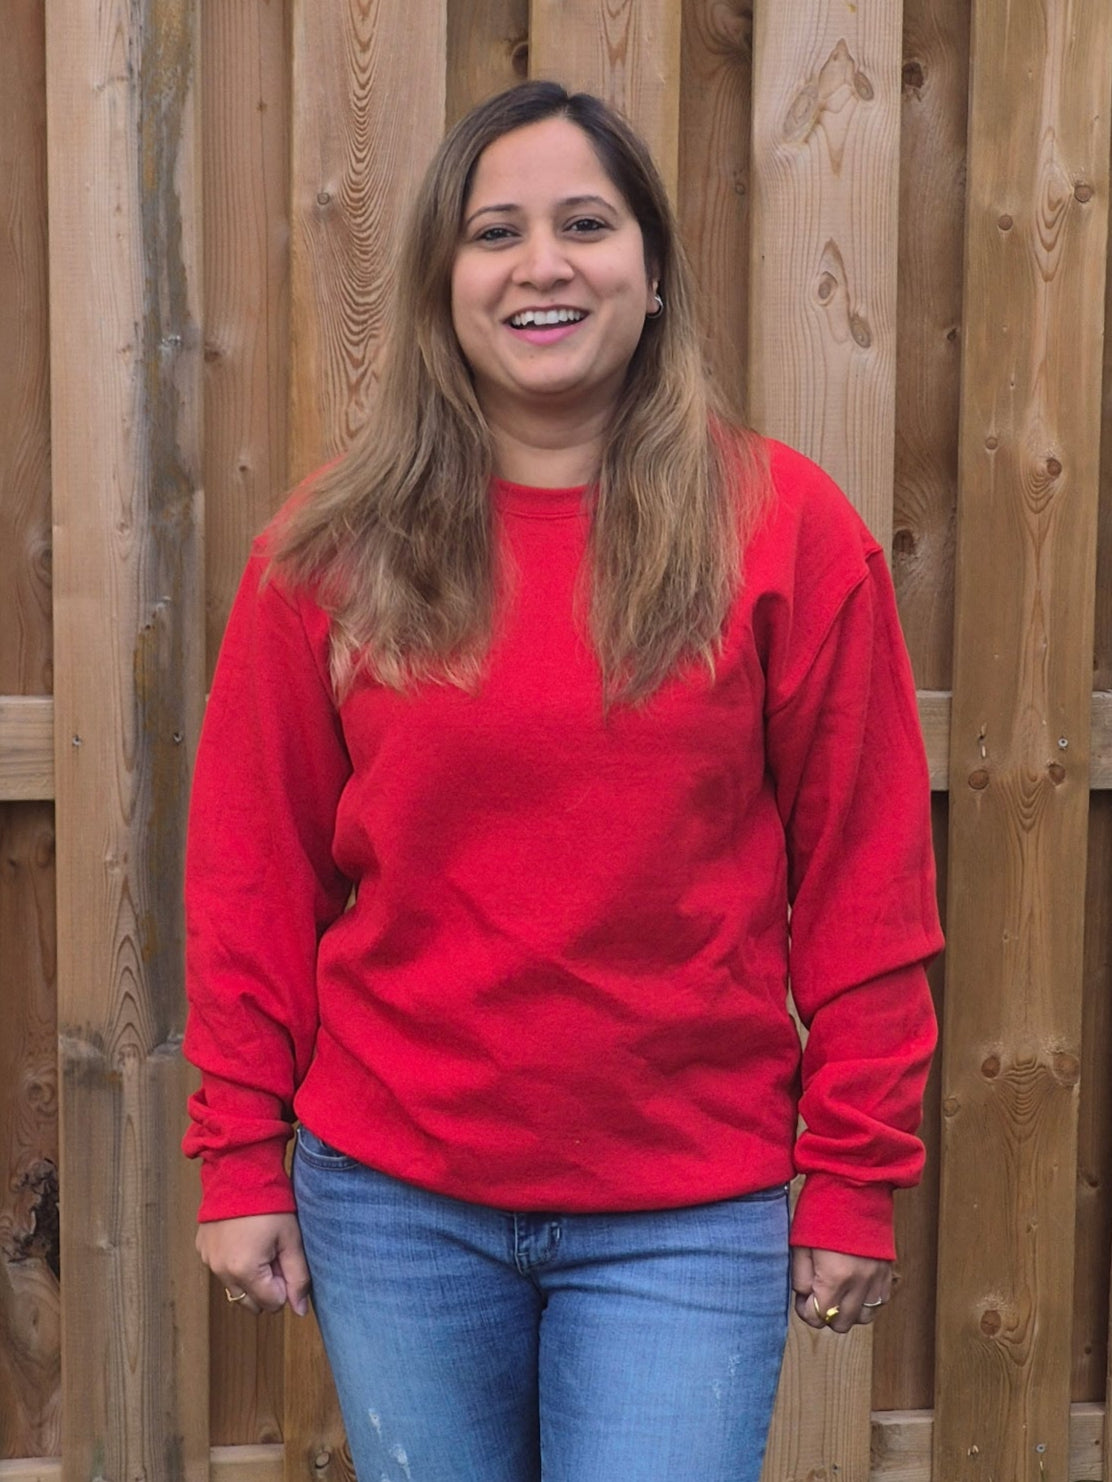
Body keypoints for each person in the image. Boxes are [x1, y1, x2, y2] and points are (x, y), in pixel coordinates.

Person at [183, 80, 942, 1482]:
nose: (543, 264)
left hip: (686, 1211)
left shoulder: (784, 535)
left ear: (650, 275)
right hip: (396, 1201)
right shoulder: (327, 553)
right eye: (496, 233)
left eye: (586, 225)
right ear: (443, 286)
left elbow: (867, 877)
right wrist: (237, 1150)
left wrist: (855, 1167)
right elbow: (252, 870)